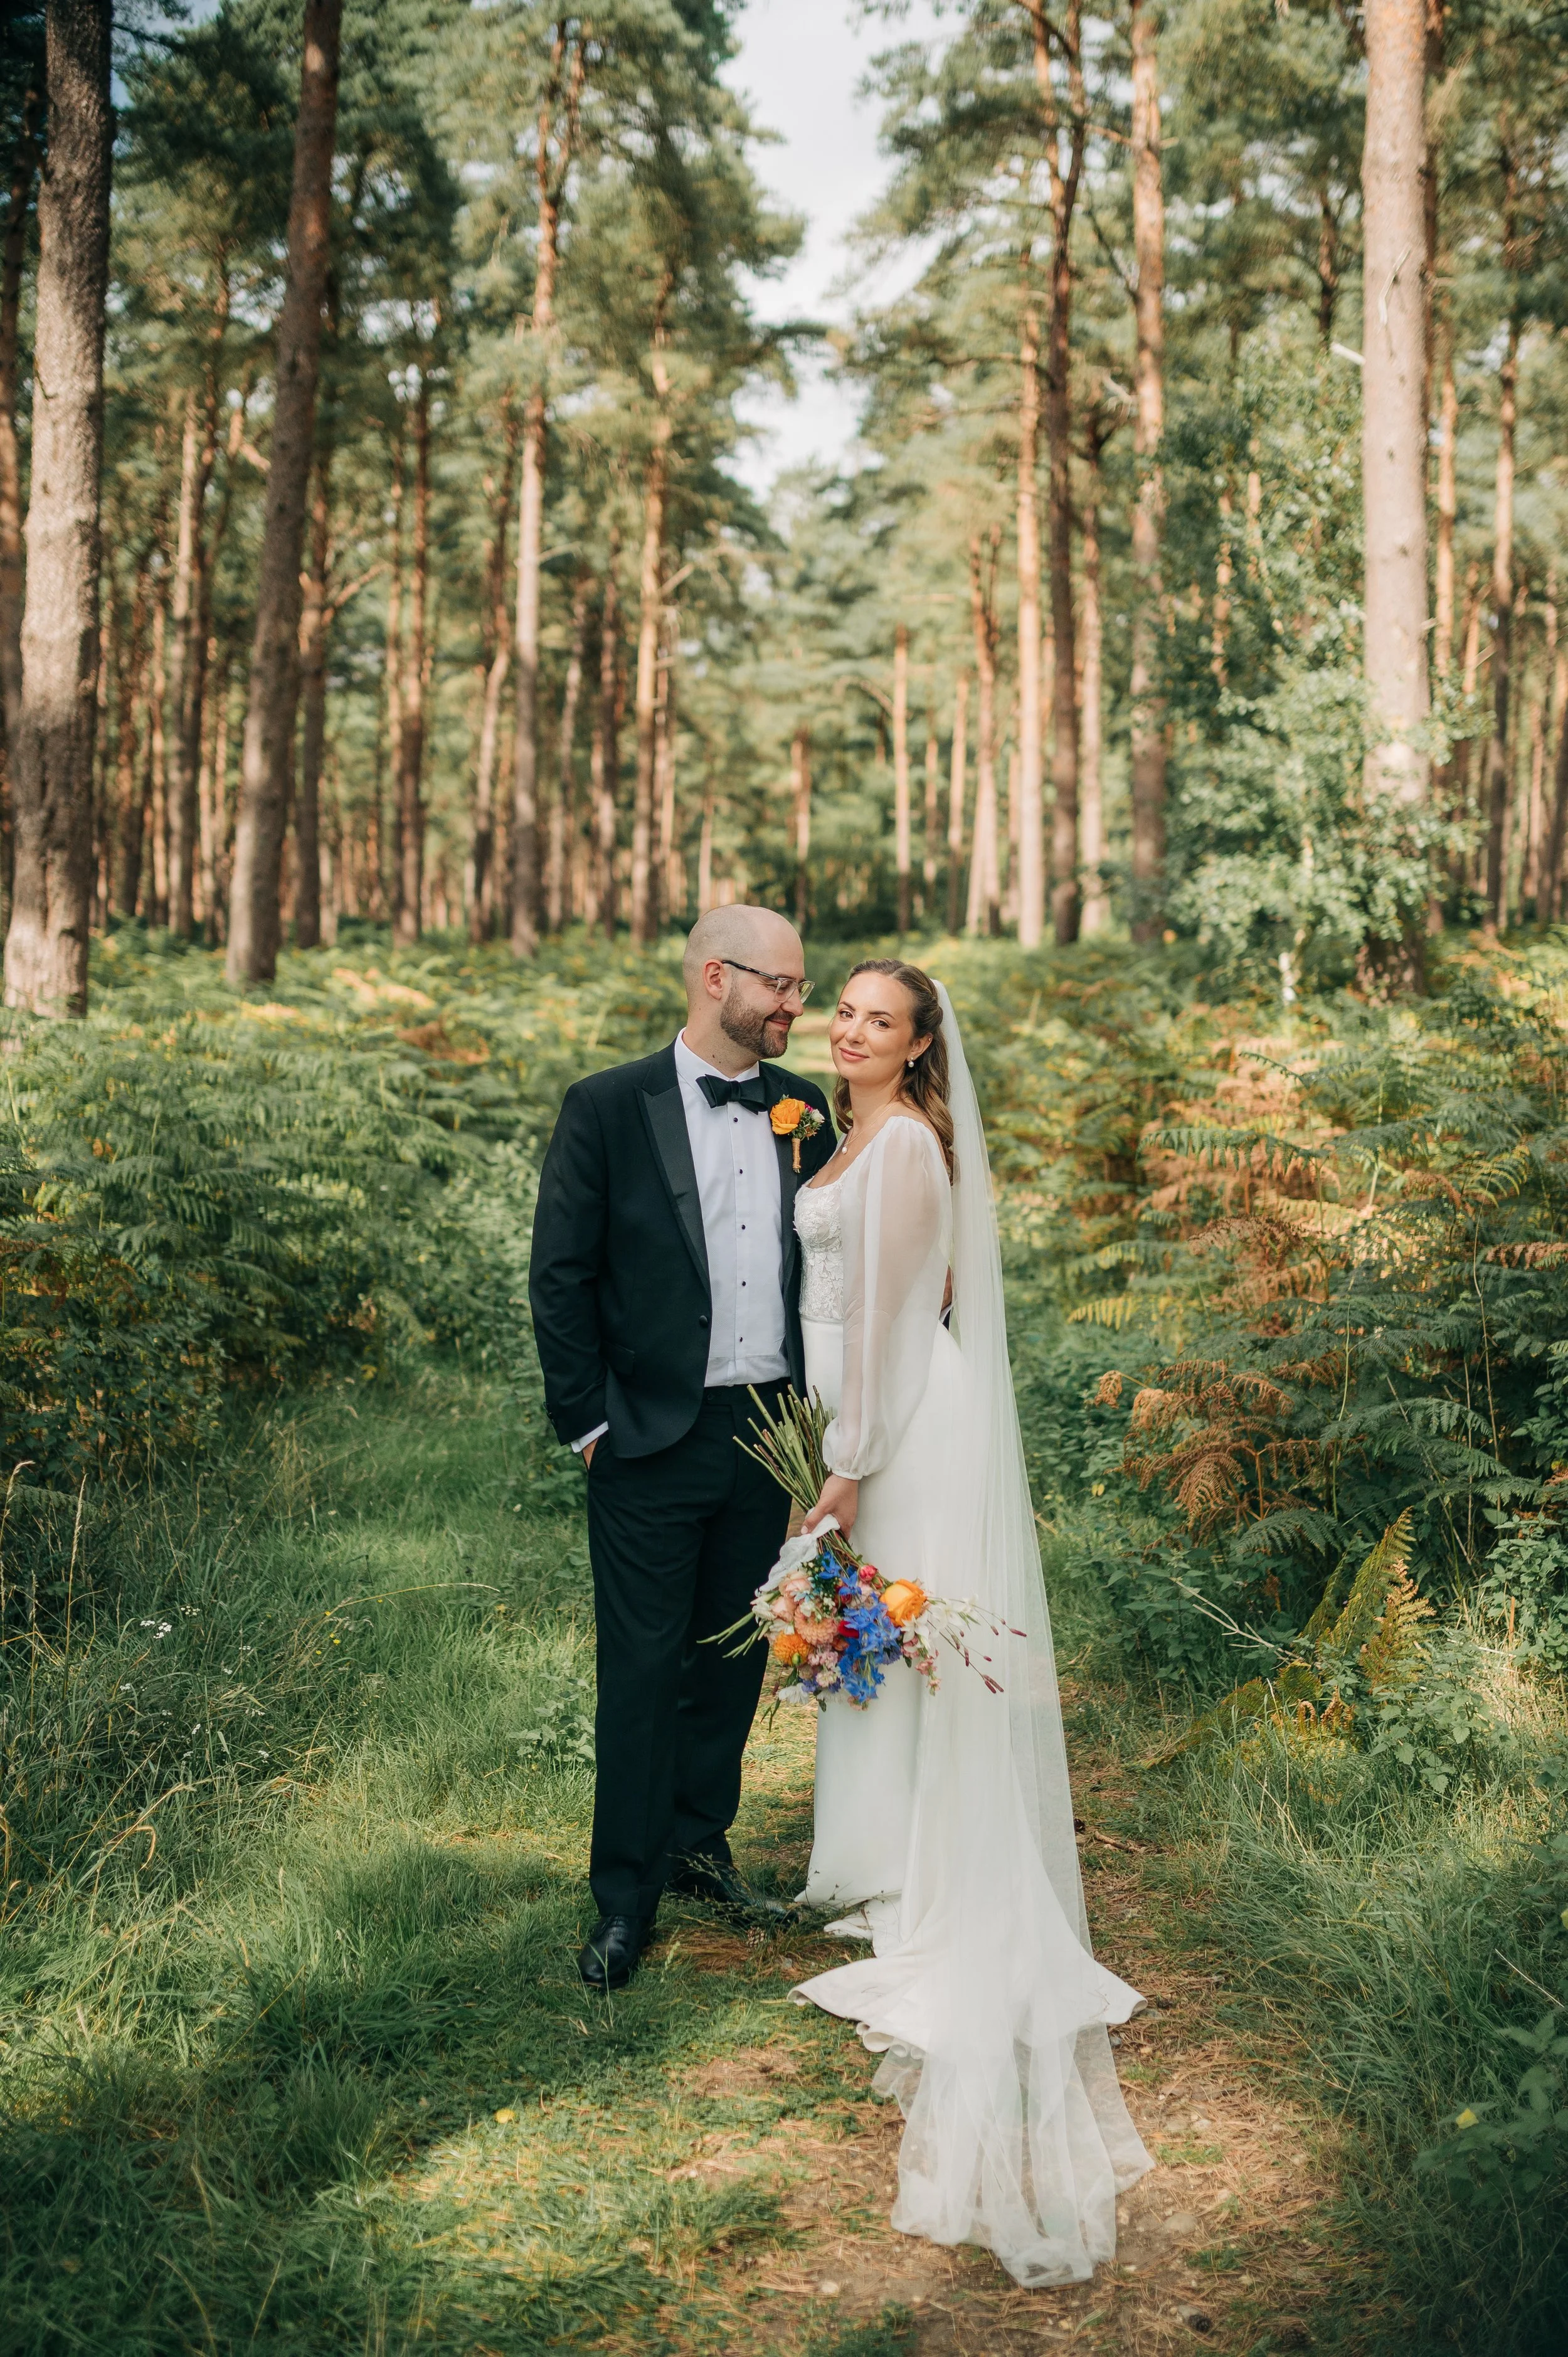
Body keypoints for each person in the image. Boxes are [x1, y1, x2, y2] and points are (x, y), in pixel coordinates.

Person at [788, 958, 1152, 2285]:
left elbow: (893, 1322)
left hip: (895, 1428)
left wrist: (845, 1464)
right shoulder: (856, 1135)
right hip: (869, 1420)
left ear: (919, 1042)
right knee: (885, 1652)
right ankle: (890, 1858)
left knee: (908, 1647)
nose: (848, 1029)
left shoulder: (902, 1153)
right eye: (840, 1011)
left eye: (876, 1019)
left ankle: (934, 1879)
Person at [528, 906, 837, 1992]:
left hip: (766, 1433)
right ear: (718, 977)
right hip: (648, 1438)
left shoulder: (805, 1109)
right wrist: (590, 1423)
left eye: (802, 988)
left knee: (730, 1654)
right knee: (644, 1665)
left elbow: (832, 1263)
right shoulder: (609, 1107)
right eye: (784, 987)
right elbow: (561, 1273)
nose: (799, 1006)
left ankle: (701, 1842)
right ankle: (624, 1899)